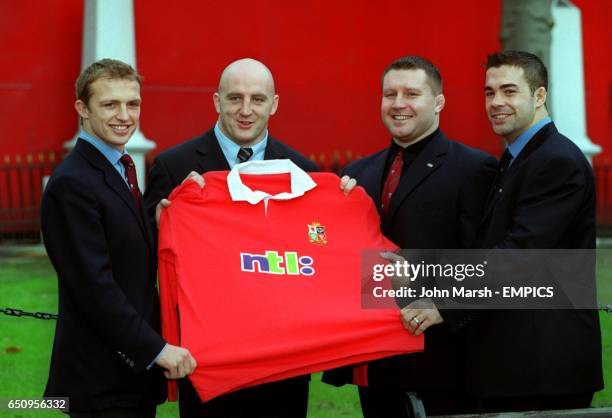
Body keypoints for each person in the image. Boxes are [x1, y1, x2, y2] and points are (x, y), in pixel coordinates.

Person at [144, 58, 323, 418]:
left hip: (282, 365)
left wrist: (336, 213)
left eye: (257, 99)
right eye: (234, 98)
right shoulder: (173, 167)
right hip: (206, 362)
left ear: (273, 104)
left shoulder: (304, 172)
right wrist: (161, 224)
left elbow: (320, 256)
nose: (245, 110)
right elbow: (148, 257)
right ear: (216, 101)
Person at [323, 56, 497, 416]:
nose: (398, 104)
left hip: (441, 358)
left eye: (411, 94)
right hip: (373, 360)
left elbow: (485, 261)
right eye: (390, 94)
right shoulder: (358, 173)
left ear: (438, 102)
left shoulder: (474, 168)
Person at [41, 58, 196, 418]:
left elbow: (126, 254)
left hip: (130, 380)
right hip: (100, 384)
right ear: (82, 108)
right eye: (110, 104)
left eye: (133, 103)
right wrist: (157, 350)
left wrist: (163, 220)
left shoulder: (119, 168)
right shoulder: (72, 183)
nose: (124, 115)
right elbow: (95, 288)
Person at [465, 50, 603, 412]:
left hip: (545, 368)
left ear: (539, 96)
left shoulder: (555, 160)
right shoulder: (517, 158)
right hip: (518, 364)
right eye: (489, 92)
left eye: (509, 91)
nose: (496, 102)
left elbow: (519, 253)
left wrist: (443, 300)